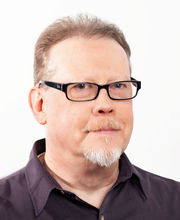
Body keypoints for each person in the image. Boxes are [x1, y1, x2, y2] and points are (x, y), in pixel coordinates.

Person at [0, 14, 180, 220]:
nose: (105, 105)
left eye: (118, 85)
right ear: (40, 105)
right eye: (81, 86)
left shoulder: (174, 204)